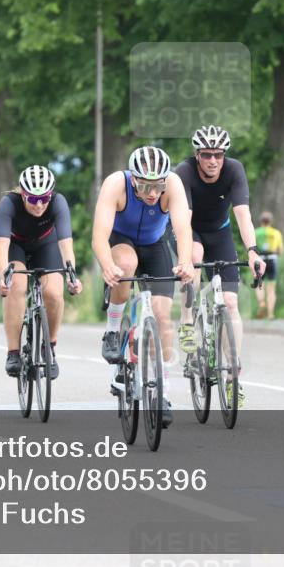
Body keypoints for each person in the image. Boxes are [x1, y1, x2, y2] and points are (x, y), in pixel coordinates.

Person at [92, 146, 195, 428]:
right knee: (124, 265)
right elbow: (99, 236)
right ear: (133, 178)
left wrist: (185, 262)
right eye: (146, 185)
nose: (153, 193)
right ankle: (113, 330)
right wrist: (107, 265)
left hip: (155, 246)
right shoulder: (116, 184)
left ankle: (162, 392)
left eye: (158, 185)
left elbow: (183, 229)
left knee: (162, 318)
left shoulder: (172, 184)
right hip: (121, 242)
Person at [173, 126, 264, 409]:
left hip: (220, 233)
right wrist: (185, 259)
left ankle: (233, 376)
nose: (213, 160)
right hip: (190, 230)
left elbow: (243, 215)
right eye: (207, 155)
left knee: (230, 301)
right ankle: (187, 319)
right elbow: (183, 219)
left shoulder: (234, 170)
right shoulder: (184, 172)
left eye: (218, 155)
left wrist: (252, 252)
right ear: (197, 155)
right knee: (196, 257)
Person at [0, 165, 82, 379]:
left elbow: (66, 244)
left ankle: (49, 348)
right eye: (33, 199)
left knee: (53, 292)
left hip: (46, 244)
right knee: (17, 284)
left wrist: (72, 276)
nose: (40, 204)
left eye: (44, 198)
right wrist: (3, 277)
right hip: (15, 245)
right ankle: (13, 352)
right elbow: (1, 247)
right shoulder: (9, 204)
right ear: (23, 195)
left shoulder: (58, 203)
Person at [254, 211, 284, 320]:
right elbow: (280, 251)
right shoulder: (276, 233)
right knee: (271, 289)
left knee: (258, 285)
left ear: (261, 221)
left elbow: (251, 248)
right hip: (272, 260)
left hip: (259, 260)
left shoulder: (255, 232)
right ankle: (271, 314)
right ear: (271, 221)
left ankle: (262, 303)